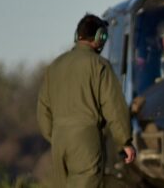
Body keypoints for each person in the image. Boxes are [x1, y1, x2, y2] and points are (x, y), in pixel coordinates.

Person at [38, 13, 136, 188]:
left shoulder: (54, 66)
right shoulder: (99, 65)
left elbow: (43, 111)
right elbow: (113, 106)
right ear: (100, 37)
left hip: (59, 141)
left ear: (78, 36)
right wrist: (125, 142)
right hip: (85, 140)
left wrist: (56, 137)